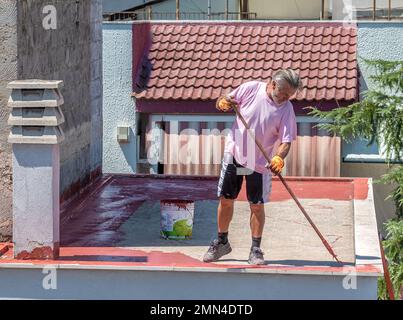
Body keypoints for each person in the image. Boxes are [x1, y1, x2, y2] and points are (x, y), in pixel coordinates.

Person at [202, 69, 303, 265]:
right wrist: (223, 103)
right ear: (272, 83)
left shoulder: (286, 109)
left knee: (257, 205)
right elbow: (224, 100)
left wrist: (279, 158)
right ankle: (221, 242)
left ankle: (255, 249)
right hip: (235, 154)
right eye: (282, 92)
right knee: (226, 199)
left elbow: (286, 141)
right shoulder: (250, 89)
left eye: (289, 95)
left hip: (259, 163)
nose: (284, 97)